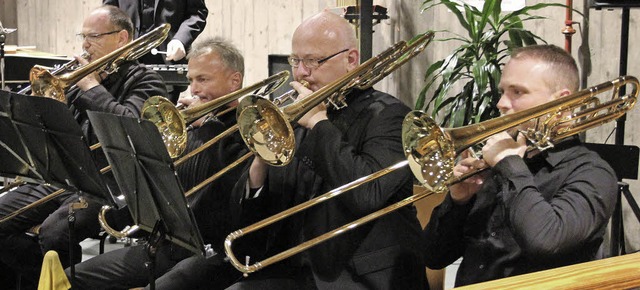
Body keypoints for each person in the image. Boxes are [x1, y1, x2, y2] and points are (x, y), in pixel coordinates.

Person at [228, 11, 427, 289]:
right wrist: (259, 169)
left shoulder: (391, 116)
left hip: (363, 277)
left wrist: (319, 124)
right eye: (296, 60)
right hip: (296, 271)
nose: (301, 72)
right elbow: (262, 223)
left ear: (351, 60)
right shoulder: (296, 119)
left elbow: (366, 195)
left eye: (313, 61)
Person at [422, 44, 618, 287]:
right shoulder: (496, 165)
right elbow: (433, 255)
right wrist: (459, 202)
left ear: (562, 102)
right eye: (503, 91)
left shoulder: (593, 173)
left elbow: (546, 241)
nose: (501, 103)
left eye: (518, 92)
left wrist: (509, 165)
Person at [0, 5, 167, 288]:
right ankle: (43, 279)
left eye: (94, 37)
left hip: (112, 185)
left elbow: (129, 130)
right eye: (83, 36)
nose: (84, 45)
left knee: (55, 234)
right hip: (66, 175)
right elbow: (61, 134)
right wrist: (54, 110)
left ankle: (66, 280)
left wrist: (92, 88)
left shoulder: (146, 80)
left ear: (122, 38)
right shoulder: (82, 79)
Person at [68, 36, 249, 290]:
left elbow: (237, 194)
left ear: (235, 81)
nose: (193, 89)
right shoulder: (189, 123)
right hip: (169, 243)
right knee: (72, 278)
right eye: (191, 80)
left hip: (215, 252)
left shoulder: (248, 128)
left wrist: (208, 127)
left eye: (203, 79)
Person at [103, 0, 208, 103]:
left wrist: (180, 40)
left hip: (167, 60)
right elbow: (109, 12)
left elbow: (197, 13)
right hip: (125, 62)